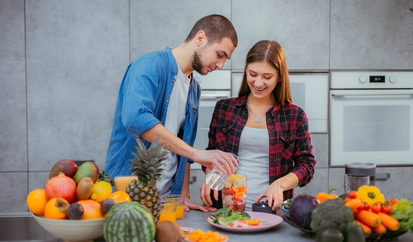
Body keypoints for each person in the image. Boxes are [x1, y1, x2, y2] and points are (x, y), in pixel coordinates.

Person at [104, 14, 239, 212]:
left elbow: (183, 146)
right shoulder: (149, 65)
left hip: (167, 202)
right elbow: (136, 118)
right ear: (200, 38)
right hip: (127, 199)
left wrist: (183, 196)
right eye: (220, 55)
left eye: (225, 59)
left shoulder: (194, 89)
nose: (220, 65)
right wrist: (198, 154)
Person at [200, 40, 316, 211]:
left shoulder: (294, 115)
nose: (258, 83)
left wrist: (279, 185)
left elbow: (307, 165)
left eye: (267, 77)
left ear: (279, 77)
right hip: (223, 209)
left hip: (272, 210)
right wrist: (211, 179)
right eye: (253, 74)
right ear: (246, 70)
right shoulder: (224, 108)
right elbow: (211, 154)